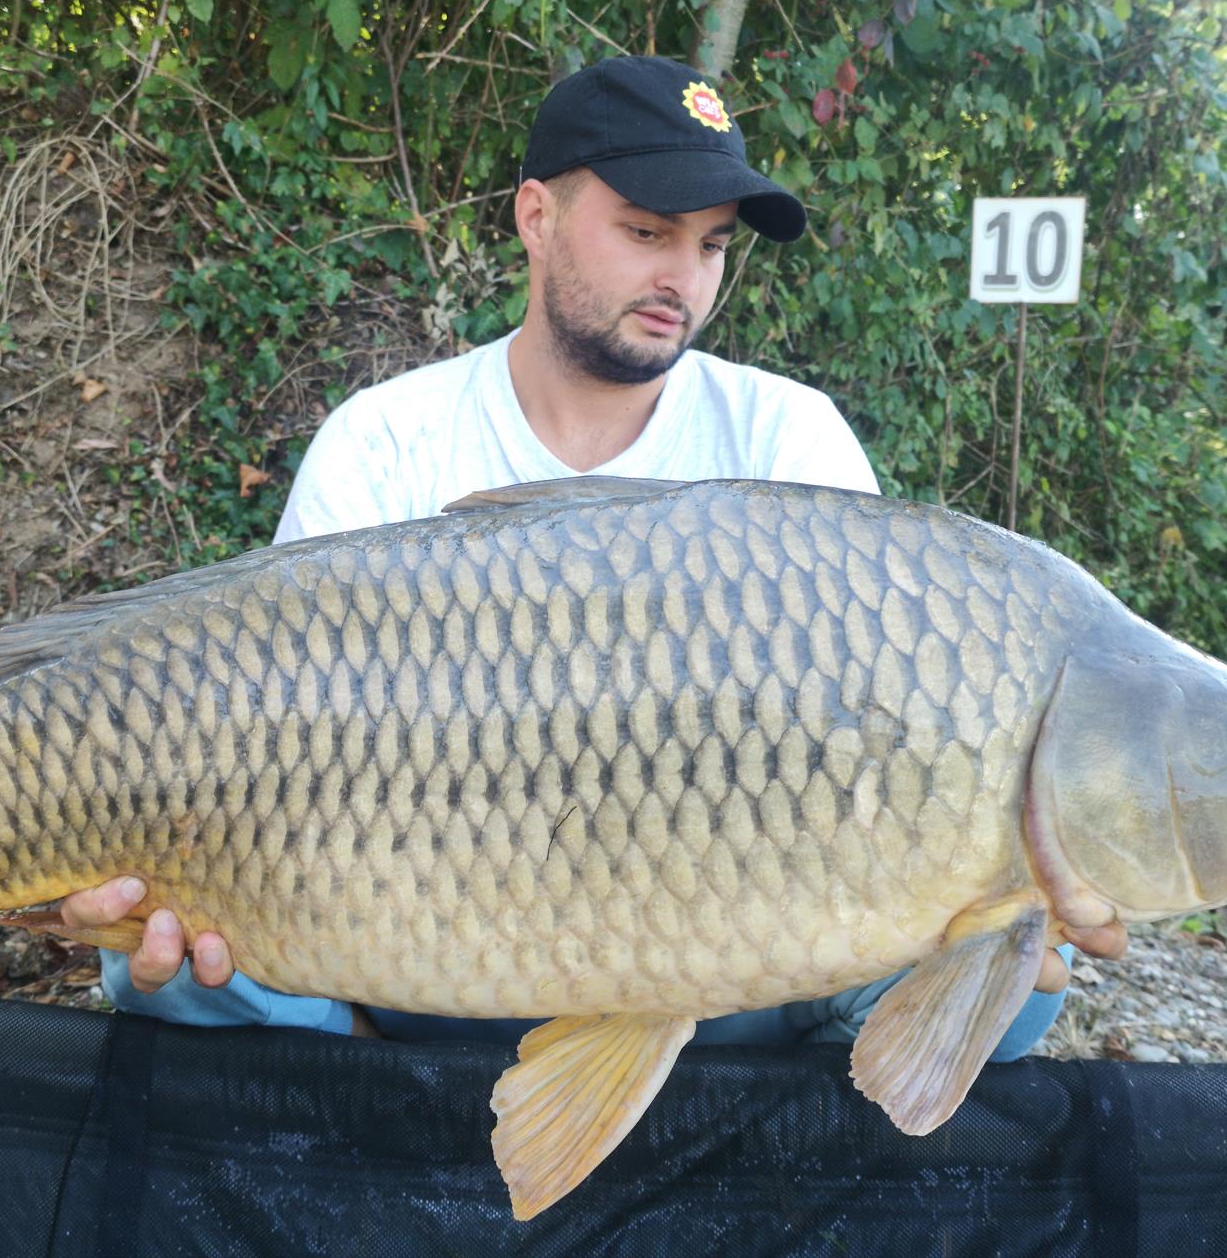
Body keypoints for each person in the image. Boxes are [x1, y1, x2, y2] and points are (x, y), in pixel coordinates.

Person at [59, 55, 1125, 1051]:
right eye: (648, 231)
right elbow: (265, 732)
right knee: (175, 968)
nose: (685, 279)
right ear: (537, 214)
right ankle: (408, 1131)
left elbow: (865, 738)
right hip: (432, 949)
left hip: (733, 961)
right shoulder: (387, 439)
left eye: (711, 246)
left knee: (1014, 989)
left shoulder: (786, 440)